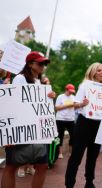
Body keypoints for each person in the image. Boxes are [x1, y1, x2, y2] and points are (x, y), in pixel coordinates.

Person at [1, 51, 55, 188]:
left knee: (42, 165)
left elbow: (37, 105)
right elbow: (14, 103)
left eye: (45, 63)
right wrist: (10, 134)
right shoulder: (20, 78)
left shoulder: (39, 81)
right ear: (30, 64)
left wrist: (49, 96)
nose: (43, 66)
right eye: (40, 63)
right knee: (11, 167)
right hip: (20, 129)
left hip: (36, 131)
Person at [65, 62, 102, 188]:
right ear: (92, 71)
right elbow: (75, 104)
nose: (101, 72)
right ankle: (69, 183)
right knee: (76, 156)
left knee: (93, 157)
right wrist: (82, 104)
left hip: (97, 124)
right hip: (84, 123)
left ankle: (89, 182)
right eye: (98, 70)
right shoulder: (84, 86)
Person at [55, 84, 77, 159]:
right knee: (59, 136)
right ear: (66, 89)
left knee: (74, 135)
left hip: (70, 119)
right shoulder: (60, 97)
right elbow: (57, 108)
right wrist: (68, 105)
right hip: (60, 119)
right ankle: (59, 153)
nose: (71, 93)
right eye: (70, 91)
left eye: (72, 91)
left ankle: (70, 152)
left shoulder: (74, 97)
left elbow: (76, 107)